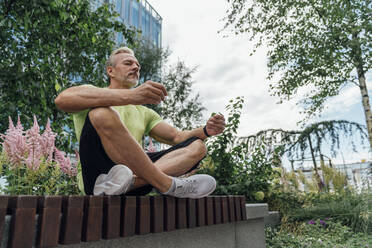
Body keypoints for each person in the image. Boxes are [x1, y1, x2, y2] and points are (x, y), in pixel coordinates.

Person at [55, 47, 225, 198]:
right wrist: (132, 96)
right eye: (128, 63)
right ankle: (168, 184)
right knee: (101, 112)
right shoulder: (93, 94)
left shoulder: (144, 112)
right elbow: (62, 100)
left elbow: (176, 136)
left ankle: (133, 182)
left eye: (137, 65)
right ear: (110, 71)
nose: (135, 67)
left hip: (133, 179)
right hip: (98, 179)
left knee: (198, 147)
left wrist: (205, 130)